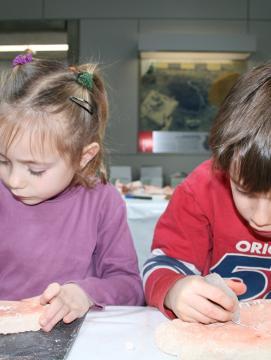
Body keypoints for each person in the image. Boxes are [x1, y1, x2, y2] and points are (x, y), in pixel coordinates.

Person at [0, 53, 144, 332]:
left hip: (78, 337)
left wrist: (85, 293)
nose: (15, 180)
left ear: (83, 156)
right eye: (3, 161)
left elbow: (130, 286)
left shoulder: (103, 202)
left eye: (36, 170)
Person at [143, 62, 271, 324]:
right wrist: (175, 290)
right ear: (225, 162)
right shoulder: (202, 189)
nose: (261, 217)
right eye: (244, 190)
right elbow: (164, 264)